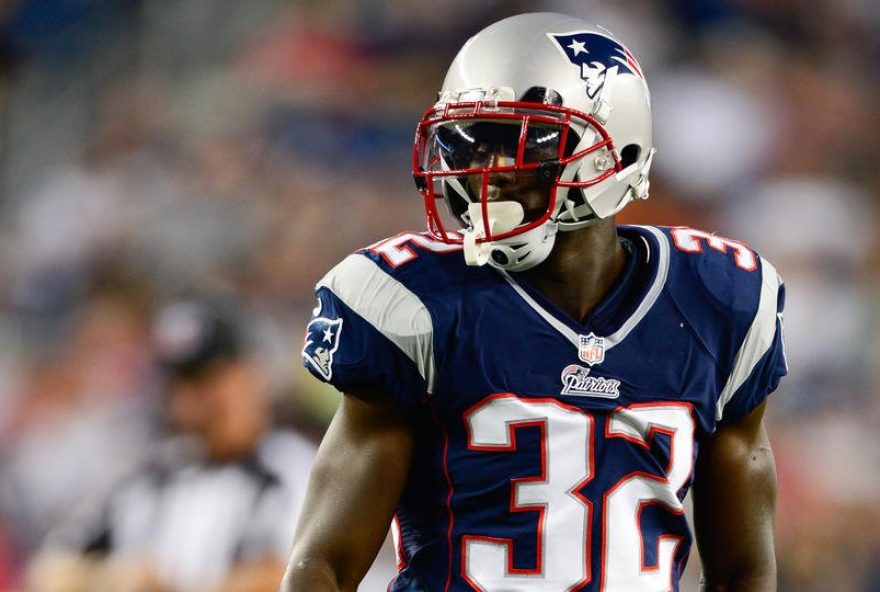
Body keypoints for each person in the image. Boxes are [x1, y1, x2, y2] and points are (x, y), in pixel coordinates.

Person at [284, 12, 786, 592]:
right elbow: (323, 564)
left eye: (516, 143)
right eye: (470, 144)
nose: (484, 171)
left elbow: (745, 571)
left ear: (612, 153)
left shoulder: (718, 303)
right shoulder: (418, 303)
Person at [27, 300, 316, 592]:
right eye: (179, 385)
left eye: (208, 380)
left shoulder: (292, 470)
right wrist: (114, 578)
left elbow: (294, 575)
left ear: (251, 374)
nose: (192, 402)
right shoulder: (149, 475)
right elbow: (50, 570)